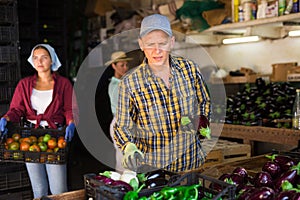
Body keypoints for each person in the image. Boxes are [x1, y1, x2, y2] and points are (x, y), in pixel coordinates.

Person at [113, 14, 211, 173]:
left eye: (162, 43)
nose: (156, 50)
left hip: (192, 164)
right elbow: (122, 126)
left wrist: (202, 121)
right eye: (150, 44)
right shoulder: (130, 83)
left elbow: (204, 101)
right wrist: (128, 146)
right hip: (154, 170)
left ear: (171, 43)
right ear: (141, 45)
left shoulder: (189, 69)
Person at [0, 44, 78, 198]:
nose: (39, 61)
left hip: (55, 136)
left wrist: (71, 122)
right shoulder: (24, 84)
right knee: (38, 188)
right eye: (35, 57)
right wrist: (6, 118)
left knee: (58, 189)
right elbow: (16, 109)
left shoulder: (63, 84)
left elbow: (70, 108)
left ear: (52, 60)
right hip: (30, 137)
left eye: (44, 57)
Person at [106, 51, 132, 173]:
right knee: (124, 162)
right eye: (121, 65)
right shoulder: (116, 86)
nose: (125, 68)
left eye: (126, 64)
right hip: (121, 123)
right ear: (114, 66)